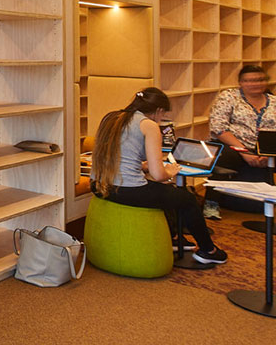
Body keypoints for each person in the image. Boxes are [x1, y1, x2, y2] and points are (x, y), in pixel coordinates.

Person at [92, 88, 227, 265]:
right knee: (187, 199)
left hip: (98, 185)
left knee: (167, 194)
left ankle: (172, 237)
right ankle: (208, 250)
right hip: (126, 190)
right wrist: (169, 171)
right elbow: (159, 175)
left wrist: (141, 166)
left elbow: (114, 156)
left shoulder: (111, 118)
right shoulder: (148, 125)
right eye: (163, 115)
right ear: (159, 111)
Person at [204, 65, 276, 228]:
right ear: (240, 83)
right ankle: (211, 203)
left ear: (266, 82)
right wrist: (245, 153)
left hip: (270, 150)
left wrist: (271, 155)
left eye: (260, 79)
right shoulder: (228, 97)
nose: (255, 84)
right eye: (249, 80)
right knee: (221, 157)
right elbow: (218, 128)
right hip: (236, 146)